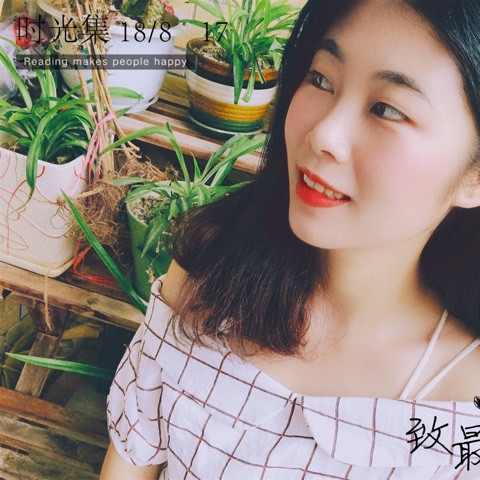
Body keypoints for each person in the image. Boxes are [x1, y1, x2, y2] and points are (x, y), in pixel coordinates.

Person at [100, 0, 480, 478]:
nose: (324, 134)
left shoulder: (461, 408)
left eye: (387, 109)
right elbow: (131, 462)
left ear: (474, 176)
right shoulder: (213, 270)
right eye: (321, 78)